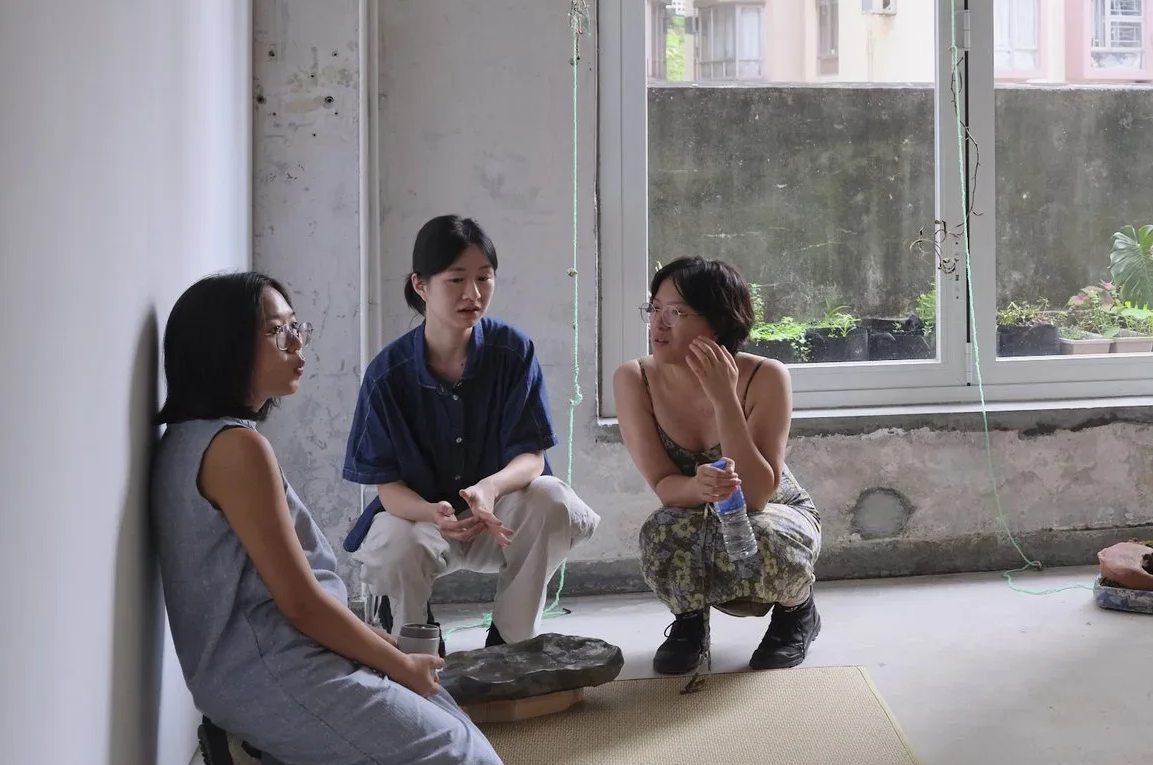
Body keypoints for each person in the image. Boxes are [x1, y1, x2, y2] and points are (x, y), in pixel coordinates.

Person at [153, 271, 505, 765]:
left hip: (280, 657)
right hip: (272, 672)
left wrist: (387, 652)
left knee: (445, 710)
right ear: (225, 346)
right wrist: (396, 665)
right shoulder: (235, 449)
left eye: (297, 327)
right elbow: (299, 603)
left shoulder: (196, 437)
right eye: (278, 332)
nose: (298, 344)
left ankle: (277, 756)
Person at [343, 215, 599, 647]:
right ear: (421, 285)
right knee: (393, 541)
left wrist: (490, 489)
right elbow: (387, 488)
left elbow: (531, 457)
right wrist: (433, 513)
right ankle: (415, 638)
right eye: (456, 279)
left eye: (484, 277)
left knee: (552, 498)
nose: (473, 293)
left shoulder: (512, 351)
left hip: (496, 519)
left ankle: (510, 640)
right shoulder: (387, 374)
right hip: (422, 525)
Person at [614, 257, 822, 674]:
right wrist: (699, 488)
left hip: (772, 509)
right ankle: (690, 622)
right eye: (654, 308)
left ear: (717, 323)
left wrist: (724, 398)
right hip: (692, 506)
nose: (658, 324)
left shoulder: (766, 376)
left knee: (764, 535)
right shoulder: (634, 378)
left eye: (676, 312)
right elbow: (664, 483)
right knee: (660, 532)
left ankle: (796, 612)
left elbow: (757, 495)